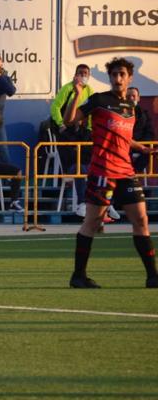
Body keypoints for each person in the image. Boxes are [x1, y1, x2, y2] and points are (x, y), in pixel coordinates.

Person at [63, 57, 158, 289]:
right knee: (92, 221)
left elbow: (125, 138)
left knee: (141, 219)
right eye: (114, 74)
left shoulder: (130, 107)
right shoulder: (98, 100)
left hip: (126, 170)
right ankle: (78, 276)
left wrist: (141, 148)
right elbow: (69, 120)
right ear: (110, 77)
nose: (118, 78)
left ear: (129, 78)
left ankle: (153, 276)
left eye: (122, 74)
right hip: (102, 171)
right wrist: (76, 95)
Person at [50, 64, 93, 213]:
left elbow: (93, 112)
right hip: (67, 130)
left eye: (85, 73)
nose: (83, 75)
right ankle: (82, 204)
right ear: (75, 75)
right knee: (78, 166)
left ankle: (107, 205)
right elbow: (55, 107)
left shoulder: (90, 91)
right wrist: (61, 124)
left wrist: (88, 129)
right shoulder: (67, 88)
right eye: (80, 73)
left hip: (83, 132)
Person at [127, 86, 154, 175]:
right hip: (125, 145)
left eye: (133, 96)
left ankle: (133, 173)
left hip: (140, 144)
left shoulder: (144, 114)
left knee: (149, 152)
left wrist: (142, 145)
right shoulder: (118, 113)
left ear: (138, 98)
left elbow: (149, 131)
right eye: (128, 96)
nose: (131, 98)